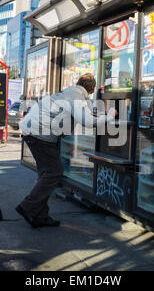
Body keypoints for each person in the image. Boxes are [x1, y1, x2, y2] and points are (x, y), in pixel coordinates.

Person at [16, 73, 116, 228]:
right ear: (91, 89)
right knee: (53, 172)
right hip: (40, 134)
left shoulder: (70, 93)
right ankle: (28, 206)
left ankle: (40, 215)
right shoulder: (76, 96)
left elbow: (84, 112)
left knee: (45, 174)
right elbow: (87, 121)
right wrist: (109, 117)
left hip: (33, 131)